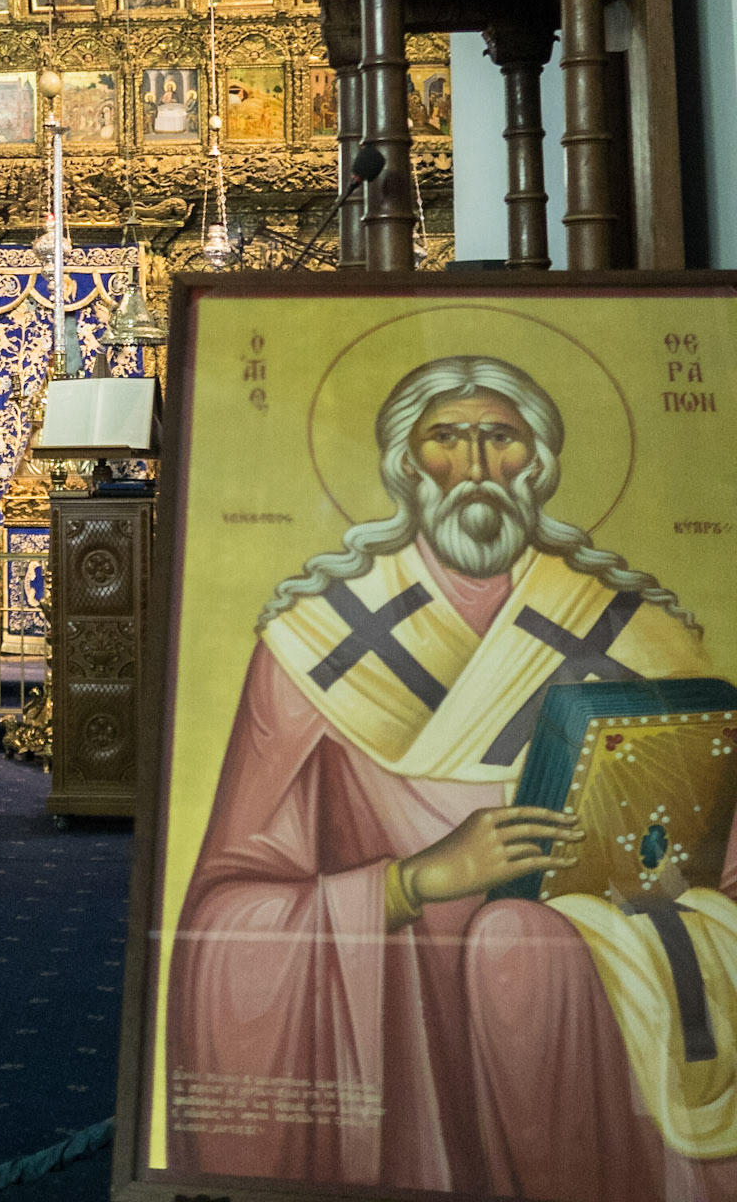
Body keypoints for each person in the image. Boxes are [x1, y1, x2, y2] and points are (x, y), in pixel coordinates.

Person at [167, 354, 728, 1199]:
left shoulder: (641, 637)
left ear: (538, 462)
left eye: (500, 437)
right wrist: (415, 882)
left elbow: (720, 863)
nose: (474, 466)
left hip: (592, 1012)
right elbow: (227, 909)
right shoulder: (315, 646)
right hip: (401, 1024)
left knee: (521, 954)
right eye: (446, 439)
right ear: (405, 464)